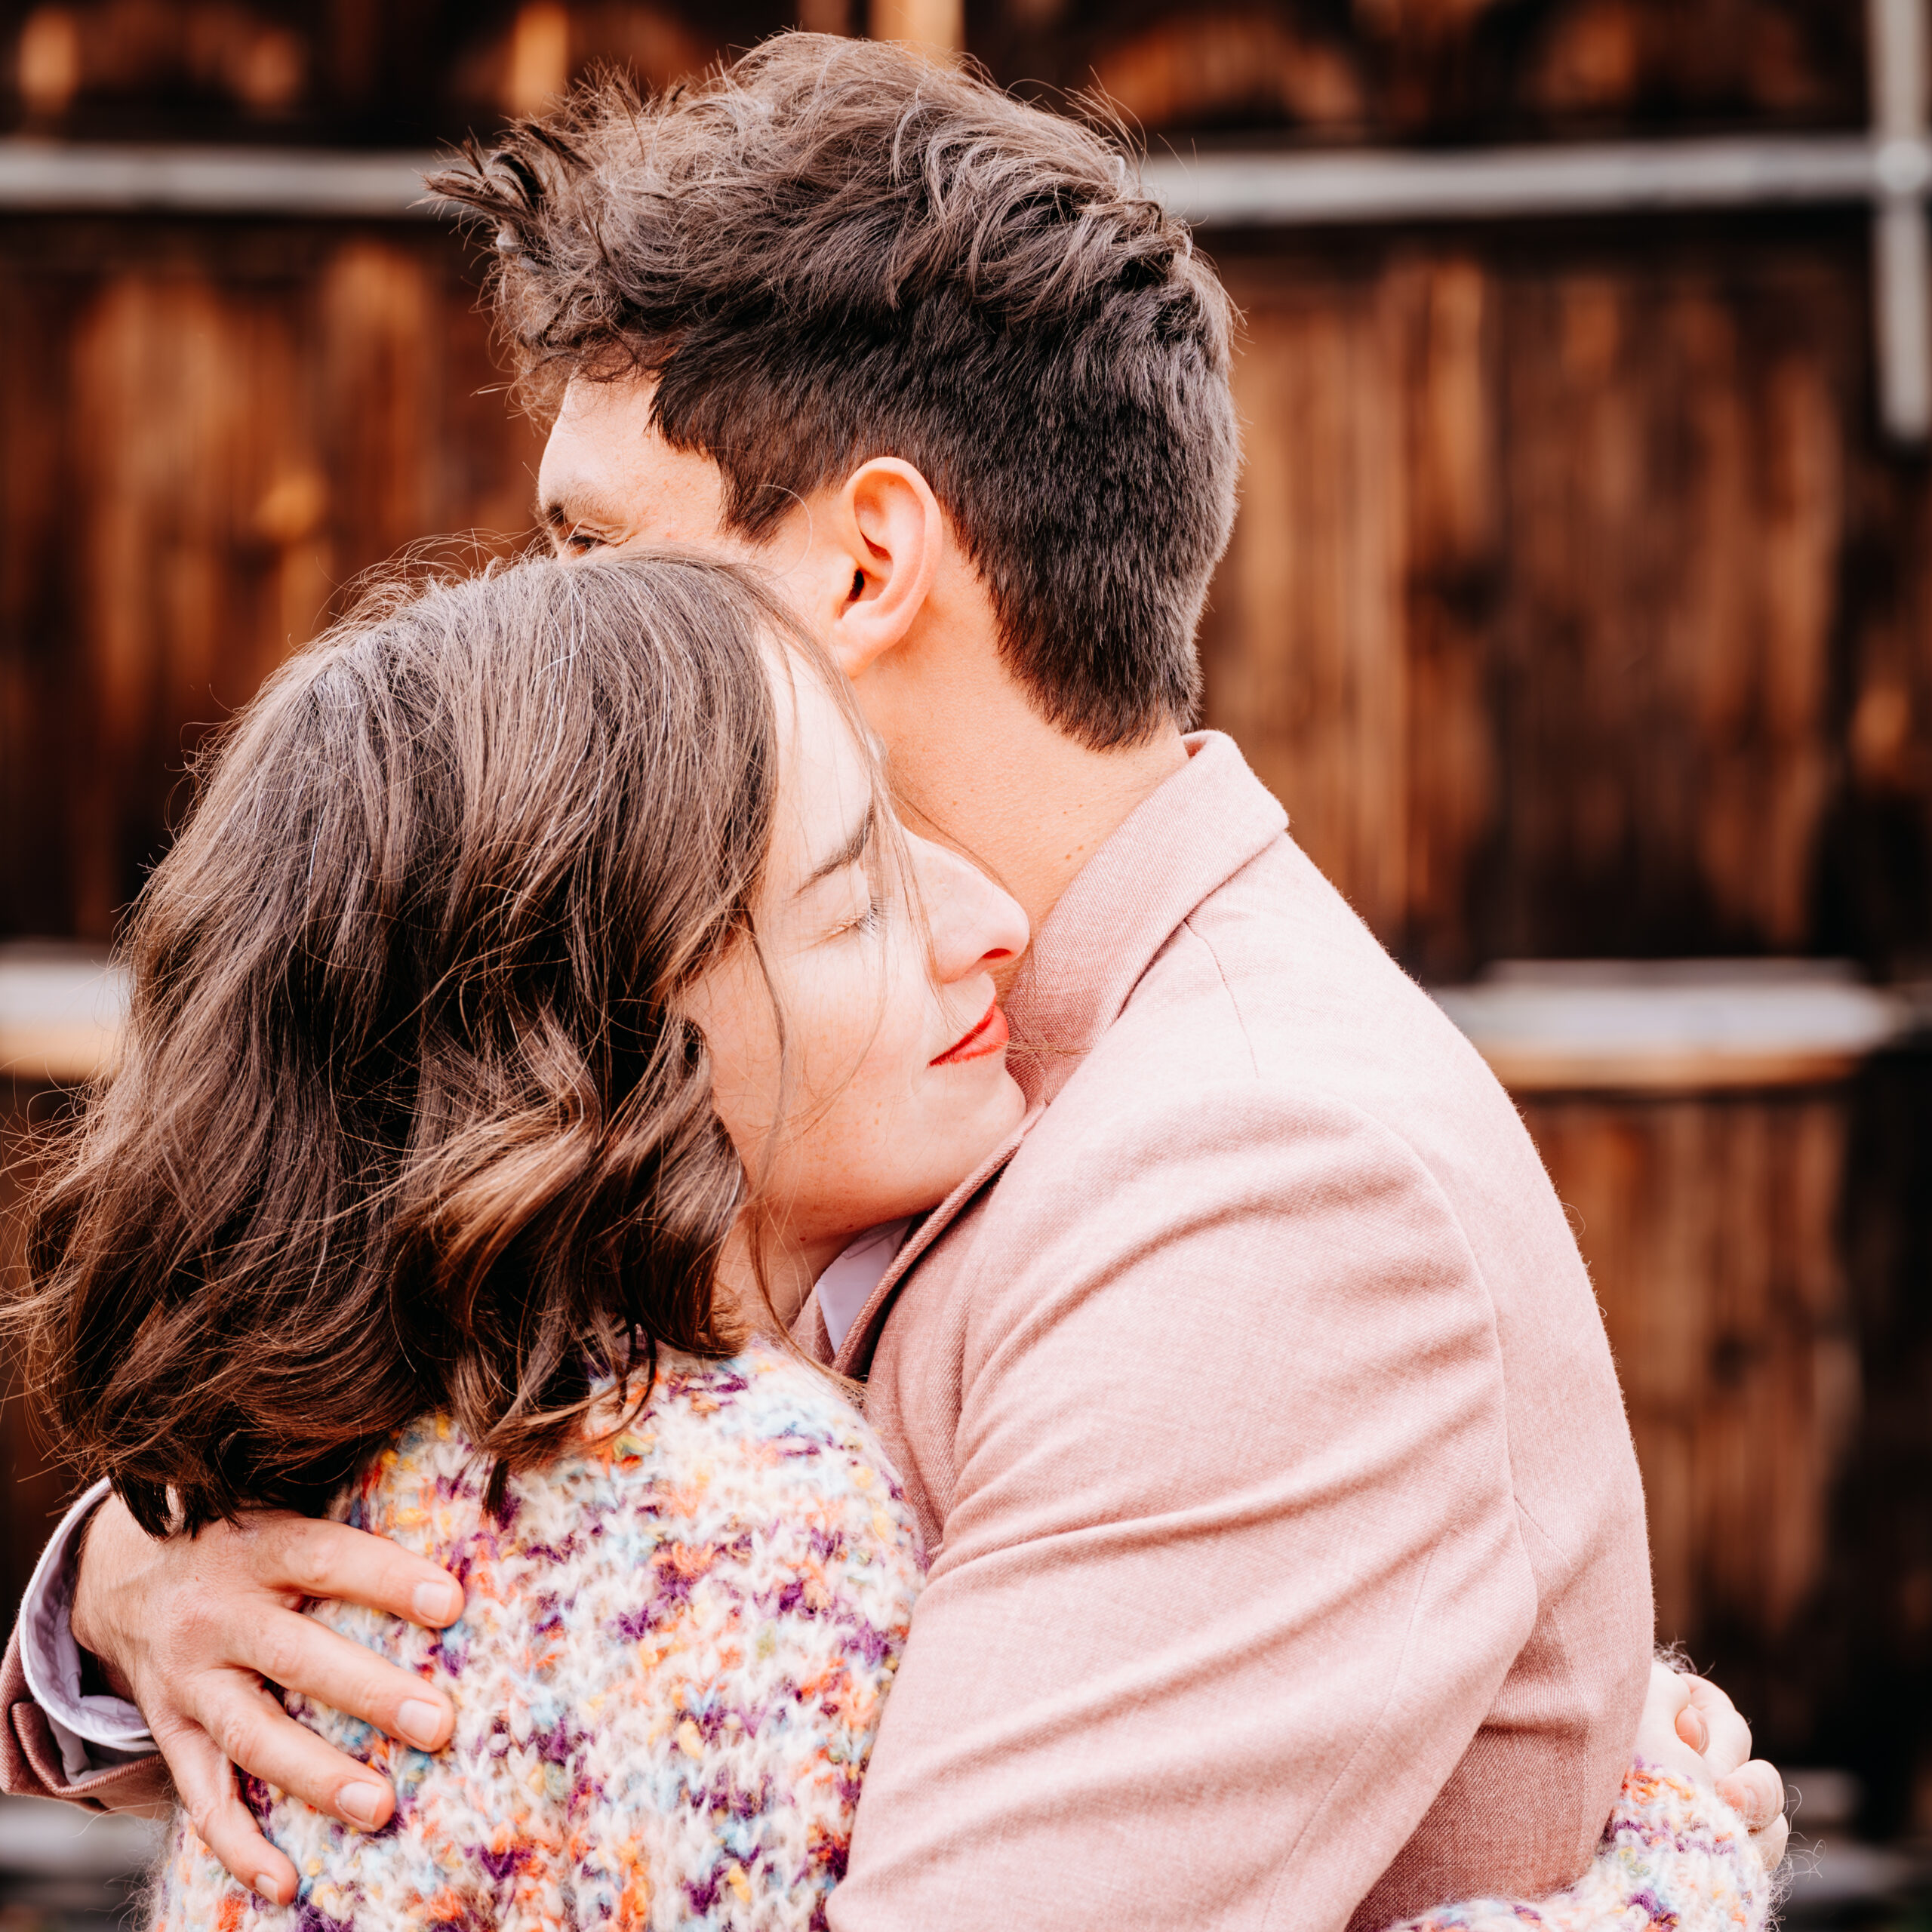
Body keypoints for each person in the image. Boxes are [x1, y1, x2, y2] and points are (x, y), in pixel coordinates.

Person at [0, 36, 1789, 1930]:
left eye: (594, 546)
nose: (547, 613)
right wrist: (126, 1585)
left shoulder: (1265, 1186)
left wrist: (1649, 1892)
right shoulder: (778, 1051)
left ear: (866, 564)